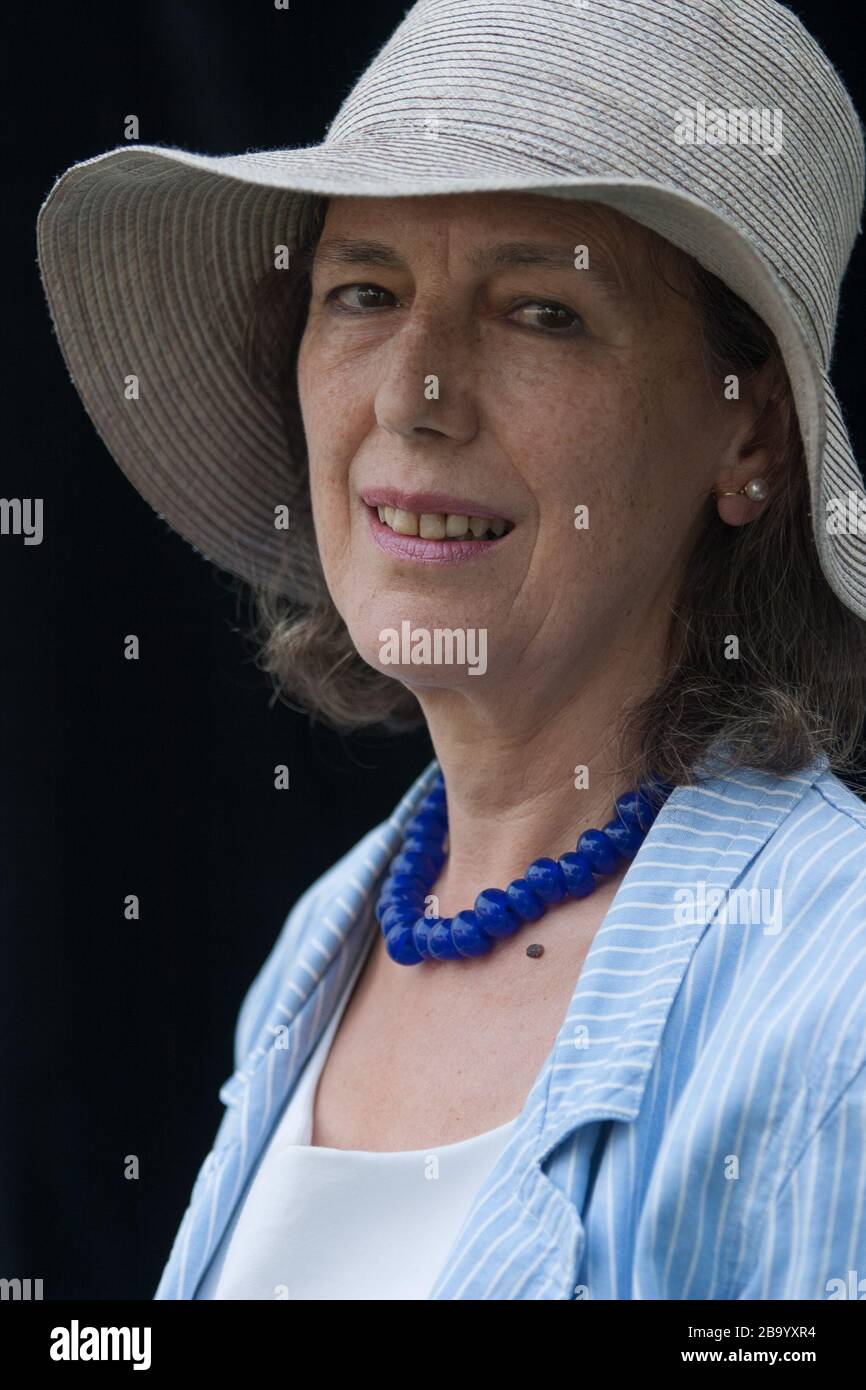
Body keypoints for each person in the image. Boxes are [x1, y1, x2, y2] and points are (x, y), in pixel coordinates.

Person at [36, 0, 866, 1300]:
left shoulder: (831, 985)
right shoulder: (337, 932)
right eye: (363, 291)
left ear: (748, 435)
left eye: (540, 311)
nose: (413, 395)